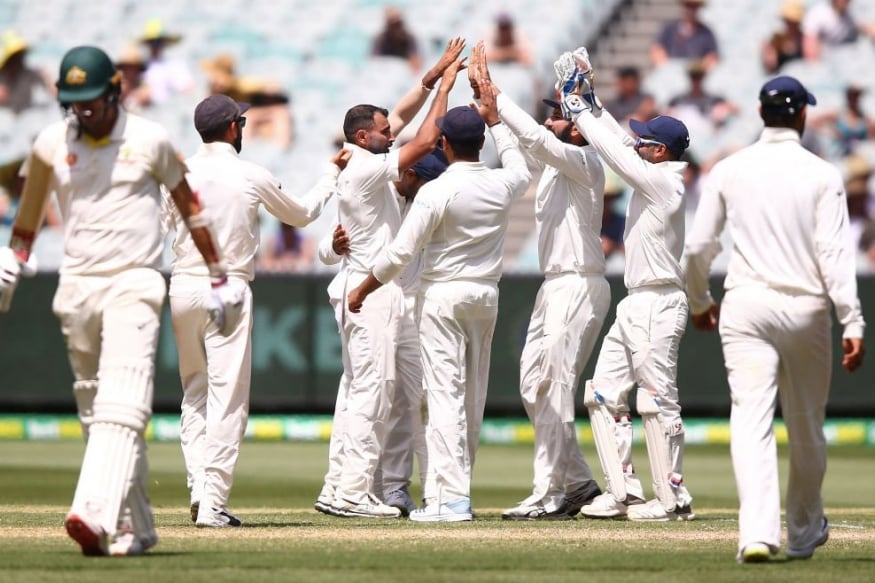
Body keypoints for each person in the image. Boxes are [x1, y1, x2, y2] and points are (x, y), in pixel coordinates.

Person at [0, 45, 242, 556]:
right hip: (77, 284)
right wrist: (12, 261)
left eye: (93, 102)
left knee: (124, 400)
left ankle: (93, 510)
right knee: (95, 405)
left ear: (114, 91)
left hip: (136, 279)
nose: (85, 112)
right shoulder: (49, 144)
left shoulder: (150, 139)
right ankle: (136, 525)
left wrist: (219, 275)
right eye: (75, 104)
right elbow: (28, 217)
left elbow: (192, 210)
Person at [685, 75, 865, 563]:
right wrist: (852, 320)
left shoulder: (729, 168)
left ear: (761, 113)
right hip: (805, 307)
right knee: (806, 424)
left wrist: (700, 302)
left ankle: (757, 534)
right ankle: (804, 533)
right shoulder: (823, 173)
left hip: (745, 304)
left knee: (750, 420)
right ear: (803, 116)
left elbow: (699, 246)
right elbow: (834, 254)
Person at [164, 94, 349, 527]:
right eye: (241, 123)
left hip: (182, 285)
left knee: (195, 392)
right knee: (227, 399)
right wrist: (329, 173)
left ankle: (199, 488)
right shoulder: (248, 173)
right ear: (232, 128)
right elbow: (302, 215)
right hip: (225, 286)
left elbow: (160, 227)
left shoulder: (177, 174)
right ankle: (211, 503)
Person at [347, 92, 532, 522]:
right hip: (486, 296)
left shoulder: (437, 191)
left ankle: (450, 501)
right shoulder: (503, 183)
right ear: (480, 143)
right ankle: (452, 493)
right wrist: (497, 120)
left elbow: (399, 254)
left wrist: (362, 289)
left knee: (444, 396)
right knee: (472, 397)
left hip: (444, 297)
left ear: (444, 144)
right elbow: (521, 167)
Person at [314, 39, 466, 519]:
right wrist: (445, 87)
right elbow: (422, 140)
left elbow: (399, 116)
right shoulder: (363, 171)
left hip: (378, 291)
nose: (390, 135)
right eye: (382, 133)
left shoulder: (360, 157)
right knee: (372, 389)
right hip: (368, 292)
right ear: (363, 138)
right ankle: (352, 492)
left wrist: (431, 75)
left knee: (376, 389)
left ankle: (340, 486)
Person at [467, 43, 605, 521]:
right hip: (556, 285)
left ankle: (550, 492)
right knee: (533, 384)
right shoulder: (557, 163)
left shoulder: (585, 163)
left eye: (558, 116)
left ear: (578, 126)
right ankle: (579, 484)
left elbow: (541, 141)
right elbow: (532, 141)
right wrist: (492, 111)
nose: (549, 122)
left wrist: (496, 96)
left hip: (580, 283)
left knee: (555, 386)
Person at [558, 47, 696, 522]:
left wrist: (575, 109)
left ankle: (673, 499)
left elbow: (617, 151)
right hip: (636, 301)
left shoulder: (667, 183)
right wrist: (592, 100)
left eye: (645, 142)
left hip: (660, 301)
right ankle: (625, 493)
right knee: (602, 391)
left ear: (660, 151)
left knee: (656, 401)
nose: (637, 145)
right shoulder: (655, 172)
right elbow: (620, 140)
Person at [318, 151, 448, 515]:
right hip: (375, 300)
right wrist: (333, 246)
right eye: (424, 182)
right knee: (373, 393)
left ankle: (429, 491)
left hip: (413, 305)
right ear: (409, 175)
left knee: (418, 398)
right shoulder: (376, 192)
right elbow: (324, 252)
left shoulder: (434, 203)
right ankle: (373, 488)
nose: (428, 189)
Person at [667, 60, 738, 129]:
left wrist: (726, 109)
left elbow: (736, 112)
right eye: (693, 76)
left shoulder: (715, 100)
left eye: (699, 76)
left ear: (704, 77)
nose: (696, 80)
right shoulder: (676, 100)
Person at [651, 0, 719, 71]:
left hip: (696, 76)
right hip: (671, 75)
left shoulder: (706, 33)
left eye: (693, 7)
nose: (690, 10)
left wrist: (701, 67)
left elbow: (713, 57)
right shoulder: (669, 30)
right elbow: (657, 50)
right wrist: (666, 67)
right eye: (687, 6)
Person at [139, 18, 195, 104]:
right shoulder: (139, 66)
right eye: (152, 42)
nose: (155, 45)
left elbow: (188, 88)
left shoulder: (175, 65)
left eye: (158, 42)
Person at [802, 0, 875, 61]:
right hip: (824, 62)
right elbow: (810, 49)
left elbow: (867, 27)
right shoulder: (818, 14)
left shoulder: (850, 15)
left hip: (843, 60)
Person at [0, 30, 53, 114]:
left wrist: (47, 80)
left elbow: (54, 92)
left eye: (21, 55)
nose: (19, 60)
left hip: (27, 115)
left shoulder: (30, 74)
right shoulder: (2, 78)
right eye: (15, 57)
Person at [371, 6, 422, 72]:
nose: (397, 27)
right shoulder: (380, 40)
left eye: (399, 23)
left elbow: (416, 65)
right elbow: (374, 63)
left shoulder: (409, 38)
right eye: (393, 24)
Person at [762, 0, 806, 74]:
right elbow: (771, 67)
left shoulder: (805, 39)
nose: (790, 24)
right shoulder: (776, 40)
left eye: (792, 21)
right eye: (787, 21)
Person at [114, 44, 151, 113]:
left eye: (133, 68)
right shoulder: (116, 84)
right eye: (126, 68)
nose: (129, 71)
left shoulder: (143, 86)